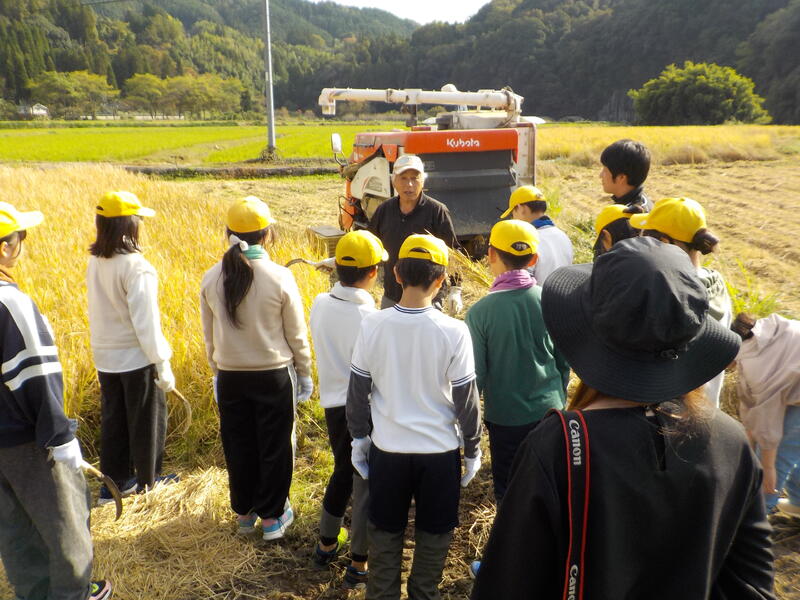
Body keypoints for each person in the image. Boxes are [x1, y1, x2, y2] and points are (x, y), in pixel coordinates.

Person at [473, 236, 775, 600]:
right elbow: (752, 586)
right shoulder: (730, 442)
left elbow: (507, 584)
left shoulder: (559, 448)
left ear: (588, 333)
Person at [347, 234, 482, 600]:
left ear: (396, 273)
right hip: (439, 453)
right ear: (440, 279)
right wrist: (473, 450)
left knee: (385, 535)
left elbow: (357, 393)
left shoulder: (373, 325)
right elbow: (466, 400)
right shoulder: (455, 331)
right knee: (434, 537)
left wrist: (359, 438)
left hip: (388, 450)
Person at [0, 202, 112, 600]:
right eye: (21, 237)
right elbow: (36, 375)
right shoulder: (11, 303)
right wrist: (61, 438)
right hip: (29, 441)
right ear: (5, 247)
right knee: (67, 526)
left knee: (15, 532)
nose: (23, 244)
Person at [200, 196, 313, 541]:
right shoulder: (279, 277)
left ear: (228, 233)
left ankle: (244, 516)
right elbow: (296, 334)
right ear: (268, 234)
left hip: (230, 377)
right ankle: (272, 520)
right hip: (273, 376)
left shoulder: (211, 277)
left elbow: (209, 336)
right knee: (275, 447)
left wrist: (217, 371)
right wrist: (305, 373)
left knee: (239, 446)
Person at [465, 219, 569, 503]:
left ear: (490, 255)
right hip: (551, 411)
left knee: (510, 488)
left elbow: (477, 376)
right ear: (534, 259)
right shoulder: (550, 300)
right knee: (550, 484)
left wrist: (469, 427)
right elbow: (563, 361)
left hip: (506, 418)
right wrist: (559, 396)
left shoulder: (480, 312)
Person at [309, 230, 388, 589]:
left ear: (337, 268)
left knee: (342, 469)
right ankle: (358, 562)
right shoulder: (372, 317)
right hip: (365, 407)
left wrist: (337, 266)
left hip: (332, 404)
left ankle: (326, 543)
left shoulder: (319, 304)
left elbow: (339, 288)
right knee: (365, 480)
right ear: (373, 273)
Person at [87, 191, 176, 504]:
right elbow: (146, 323)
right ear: (129, 225)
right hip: (136, 359)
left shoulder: (96, 261)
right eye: (138, 219)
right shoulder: (138, 267)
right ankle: (148, 484)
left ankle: (112, 487)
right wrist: (162, 363)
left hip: (105, 357)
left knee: (114, 421)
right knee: (147, 422)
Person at [629, 197, 733, 406]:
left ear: (665, 242)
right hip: (707, 410)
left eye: (645, 236)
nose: (640, 241)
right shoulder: (717, 284)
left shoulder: (672, 295)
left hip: (673, 415)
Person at [367, 154, 459, 309]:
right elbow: (368, 244)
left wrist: (456, 289)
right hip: (392, 296)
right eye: (403, 178)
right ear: (393, 181)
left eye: (415, 178)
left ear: (423, 181)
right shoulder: (384, 210)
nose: (409, 184)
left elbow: (454, 253)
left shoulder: (437, 212)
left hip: (429, 298)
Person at [732, 312, 800, 516]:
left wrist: (767, 468)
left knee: (776, 455)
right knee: (790, 448)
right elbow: (753, 406)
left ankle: (758, 515)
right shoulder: (753, 338)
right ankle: (798, 501)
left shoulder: (757, 366)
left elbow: (767, 421)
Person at [499, 185, 573, 284]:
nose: (514, 219)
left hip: (540, 294)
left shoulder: (527, 242)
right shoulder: (564, 237)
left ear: (521, 208)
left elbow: (522, 284)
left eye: (513, 214)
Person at [599, 139, 653, 211]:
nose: (600, 175)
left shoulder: (629, 213)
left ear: (621, 177)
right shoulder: (640, 202)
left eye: (605, 170)